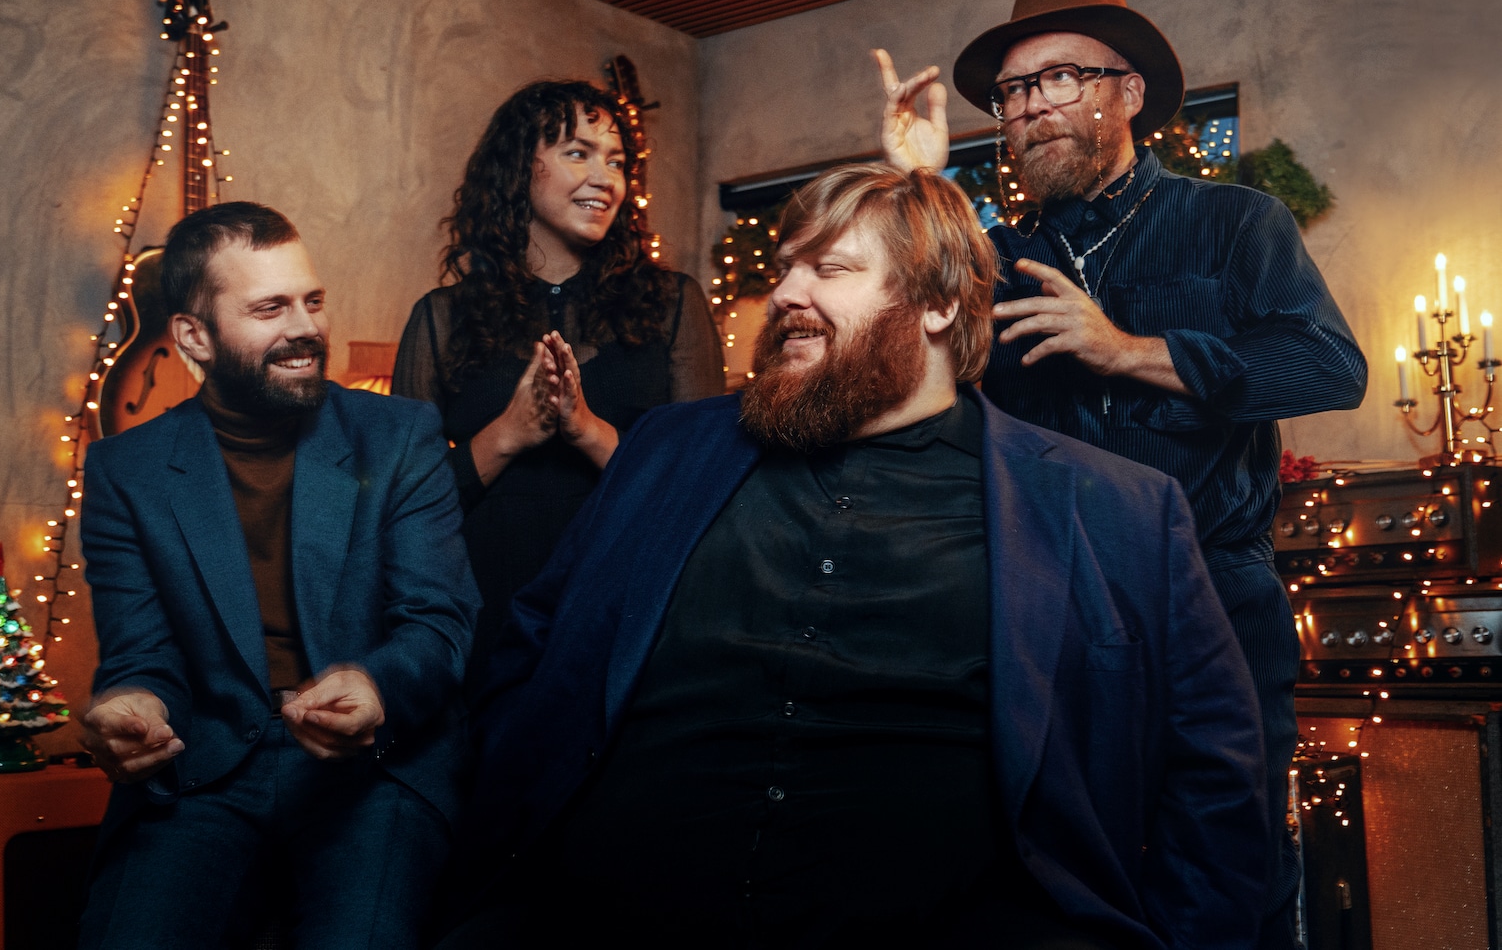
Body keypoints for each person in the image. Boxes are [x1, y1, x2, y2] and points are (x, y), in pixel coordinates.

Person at [447, 164, 1268, 949]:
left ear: (939, 305)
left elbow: (1215, 777)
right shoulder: (667, 451)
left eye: (829, 269)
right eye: (786, 268)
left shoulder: (1113, 508)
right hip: (599, 914)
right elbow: (537, 644)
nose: (786, 294)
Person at [875, 0, 1368, 949]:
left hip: (1214, 604)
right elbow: (893, 365)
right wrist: (916, 186)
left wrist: (1127, 350)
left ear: (1128, 91)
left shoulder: (1235, 223)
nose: (1033, 105)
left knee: (1229, 878)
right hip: (1042, 612)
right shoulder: (987, 262)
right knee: (1057, 877)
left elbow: (1328, 364)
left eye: (1061, 77)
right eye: (1015, 91)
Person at [77, 201, 478, 949]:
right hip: (206, 770)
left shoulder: (400, 435)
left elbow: (439, 622)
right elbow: (142, 653)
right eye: (270, 308)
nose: (306, 328)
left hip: (373, 771)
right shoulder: (124, 470)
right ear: (194, 336)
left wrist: (376, 686)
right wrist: (133, 702)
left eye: (312, 300)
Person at [393, 79, 723, 691]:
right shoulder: (442, 318)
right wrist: (508, 434)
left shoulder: (672, 306)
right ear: (521, 166)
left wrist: (589, 432)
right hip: (481, 612)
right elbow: (404, 505)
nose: (605, 178)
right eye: (579, 152)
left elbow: (701, 490)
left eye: (616, 162)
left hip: (617, 607)